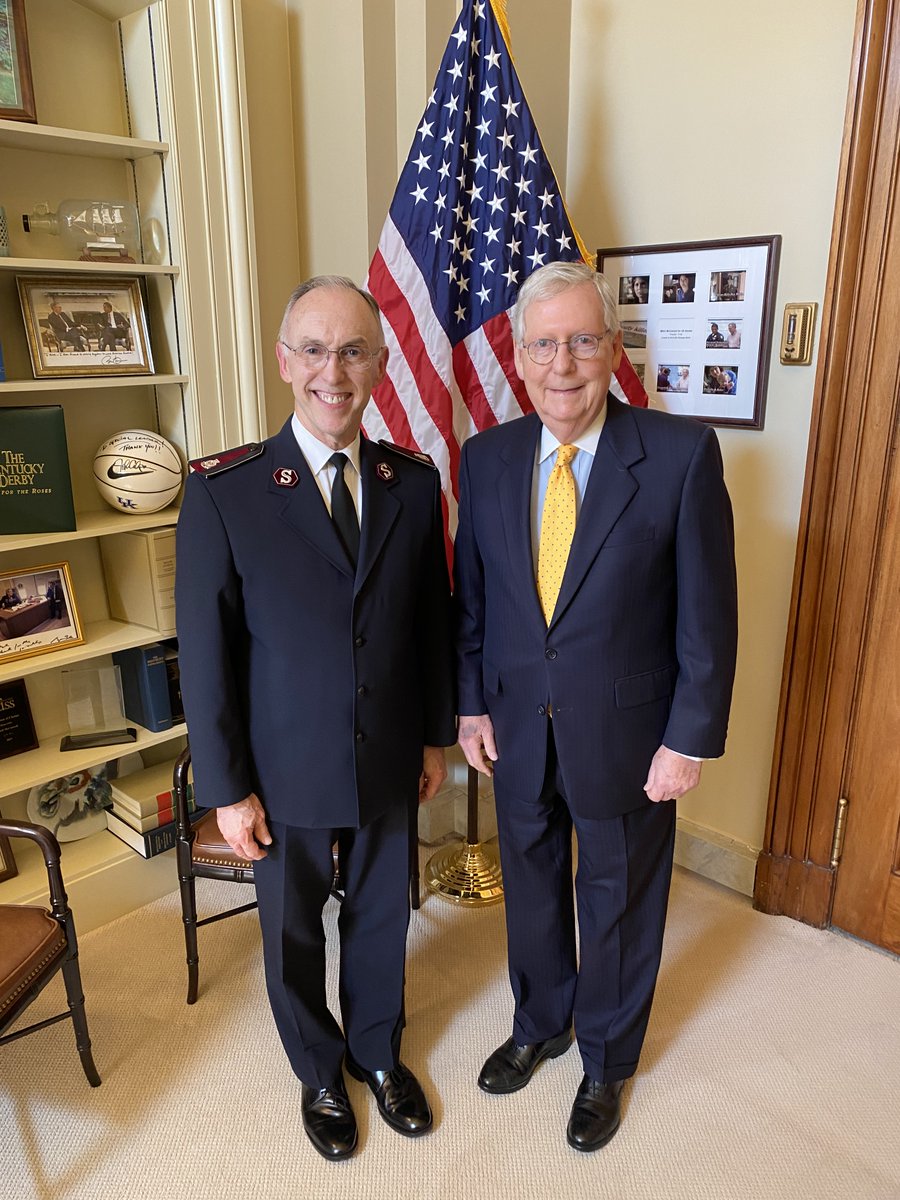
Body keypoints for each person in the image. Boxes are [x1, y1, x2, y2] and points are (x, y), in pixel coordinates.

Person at [454, 261, 737, 1154]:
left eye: (582, 341)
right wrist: (469, 706)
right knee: (532, 884)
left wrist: (687, 738)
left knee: (616, 898)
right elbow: (475, 603)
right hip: (513, 722)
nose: (563, 362)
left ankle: (607, 1060)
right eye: (544, 344)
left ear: (613, 350)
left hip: (628, 731)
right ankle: (542, 1022)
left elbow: (708, 618)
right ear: (518, 356)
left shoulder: (681, 455)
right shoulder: (487, 456)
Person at [175, 275, 456, 1162]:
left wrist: (432, 734)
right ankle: (319, 1070)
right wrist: (226, 790)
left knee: (380, 917)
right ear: (284, 360)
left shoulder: (411, 484)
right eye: (314, 349)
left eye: (353, 350)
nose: (333, 371)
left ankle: (376, 1052)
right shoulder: (227, 490)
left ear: (377, 361)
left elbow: (429, 622)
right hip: (282, 764)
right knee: (294, 931)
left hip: (386, 752)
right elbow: (209, 656)